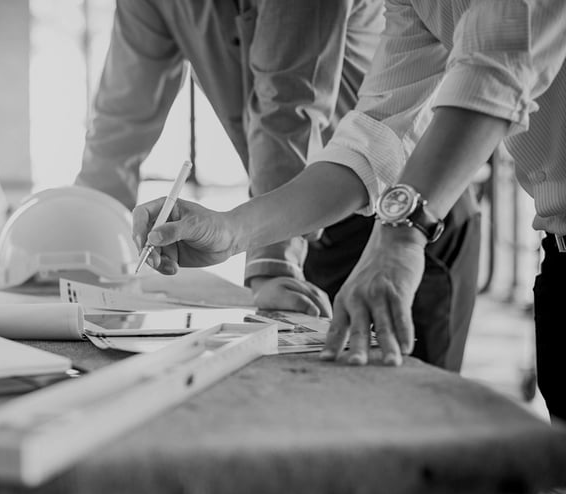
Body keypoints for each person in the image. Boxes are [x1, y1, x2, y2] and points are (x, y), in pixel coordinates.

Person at [131, 0, 566, 422]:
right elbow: (374, 138)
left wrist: (399, 236)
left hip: (439, 224)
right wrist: (231, 230)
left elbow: (497, 69)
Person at [77, 0, 482, 372]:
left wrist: (272, 266)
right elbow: (120, 120)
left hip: (408, 213)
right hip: (295, 215)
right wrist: (82, 241)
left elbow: (288, 109)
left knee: (411, 414)